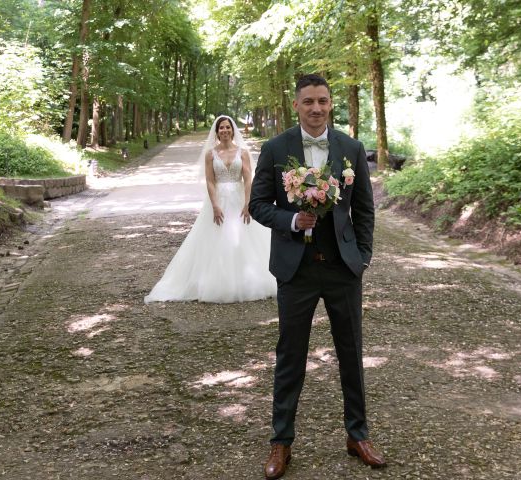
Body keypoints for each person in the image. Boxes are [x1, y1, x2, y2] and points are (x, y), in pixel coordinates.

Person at [249, 74, 386, 479]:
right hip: (297, 270)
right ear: (296, 105)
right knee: (290, 356)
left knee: (351, 353)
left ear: (331, 103)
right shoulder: (275, 149)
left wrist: (362, 257)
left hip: (343, 268)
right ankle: (281, 442)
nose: (316, 108)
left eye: (323, 101)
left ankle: (357, 434)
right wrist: (291, 219)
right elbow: (258, 205)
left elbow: (364, 209)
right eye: (308, 101)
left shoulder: (352, 148)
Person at [144, 115, 276, 304]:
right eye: (221, 128)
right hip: (219, 199)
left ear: (232, 130)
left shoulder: (243, 152)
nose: (225, 131)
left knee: (245, 237)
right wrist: (215, 205)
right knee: (215, 238)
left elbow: (248, 179)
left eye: (227, 128)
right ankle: (216, 282)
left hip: (239, 199)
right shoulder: (211, 154)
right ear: (217, 132)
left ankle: (249, 279)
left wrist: (248, 203)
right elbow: (210, 180)